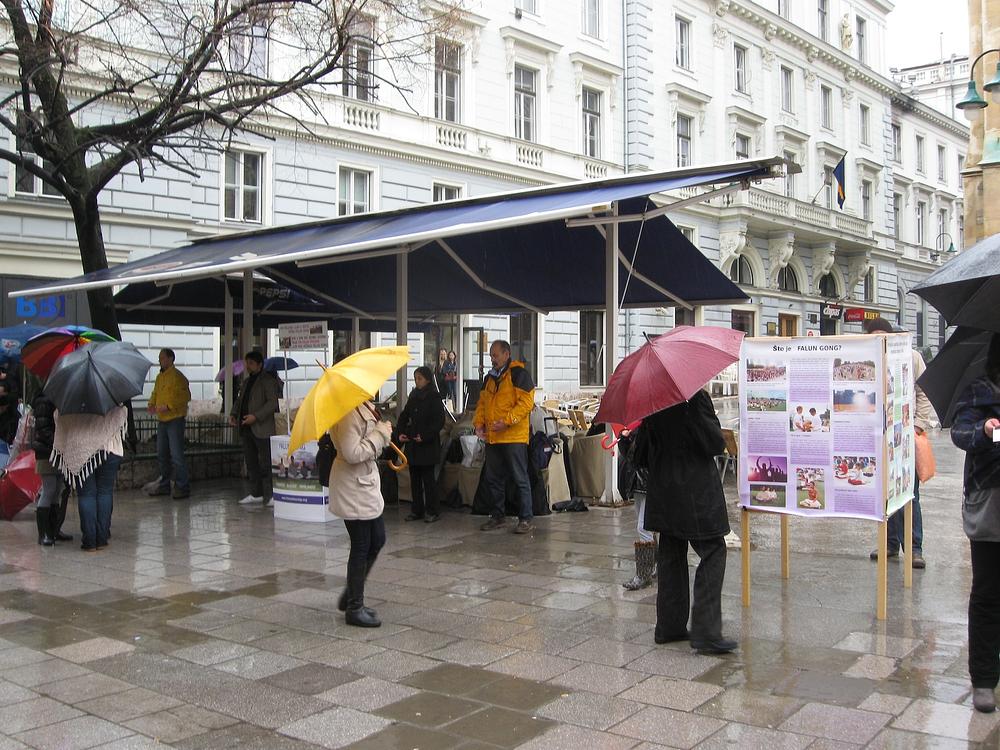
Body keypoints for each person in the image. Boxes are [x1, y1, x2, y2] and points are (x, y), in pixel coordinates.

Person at [632, 388, 737, 655]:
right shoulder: (695, 397)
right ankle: (706, 632)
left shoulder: (654, 399)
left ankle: (669, 626)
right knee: (714, 550)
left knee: (671, 553)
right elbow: (714, 443)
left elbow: (641, 454)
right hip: (695, 491)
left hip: (665, 491)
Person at [950, 332, 1000, 713]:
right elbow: (960, 433)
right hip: (991, 503)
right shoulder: (980, 391)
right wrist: (985, 431)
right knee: (987, 592)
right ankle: (983, 678)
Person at [864, 317, 934, 568]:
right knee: (884, 494)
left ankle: (915, 548)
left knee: (909, 494)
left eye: (884, 335)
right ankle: (890, 543)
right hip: (876, 438)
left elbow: (924, 393)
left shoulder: (911, 357)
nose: (881, 339)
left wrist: (918, 424)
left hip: (903, 437)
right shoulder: (867, 357)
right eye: (876, 335)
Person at [329, 400, 394, 627]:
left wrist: (382, 432)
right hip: (353, 485)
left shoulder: (362, 405)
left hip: (364, 483)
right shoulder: (347, 413)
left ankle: (350, 595)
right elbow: (352, 452)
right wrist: (379, 435)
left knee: (377, 538)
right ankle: (354, 607)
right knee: (361, 544)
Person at [474, 340, 536, 534]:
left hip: (514, 437)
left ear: (506, 354)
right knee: (493, 479)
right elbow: (482, 404)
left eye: (495, 355)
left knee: (520, 478)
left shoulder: (519, 375)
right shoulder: (489, 379)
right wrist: (478, 424)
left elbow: (526, 403)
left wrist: (507, 421)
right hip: (494, 437)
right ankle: (497, 516)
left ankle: (525, 518)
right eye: (491, 355)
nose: (492, 359)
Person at [50, 404, 127, 552]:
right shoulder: (108, 392)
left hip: (81, 449)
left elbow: (57, 417)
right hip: (109, 448)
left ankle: (90, 541)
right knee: (105, 492)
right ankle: (102, 538)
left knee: (86, 494)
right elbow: (121, 413)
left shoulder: (71, 396)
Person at [229, 351, 280, 507]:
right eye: (247, 363)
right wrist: (233, 413)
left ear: (259, 364)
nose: (248, 366)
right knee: (251, 462)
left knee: (266, 462)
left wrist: (256, 416)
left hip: (262, 427)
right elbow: (240, 399)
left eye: (251, 363)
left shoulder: (268, 381)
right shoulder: (246, 381)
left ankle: (271, 494)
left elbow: (272, 403)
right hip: (246, 427)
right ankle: (256, 493)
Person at [396, 366, 446, 523]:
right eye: (415, 378)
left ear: (427, 380)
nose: (417, 381)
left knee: (428, 480)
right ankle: (416, 509)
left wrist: (425, 436)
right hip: (413, 444)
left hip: (427, 445)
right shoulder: (414, 396)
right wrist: (400, 432)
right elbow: (404, 415)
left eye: (420, 378)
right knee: (414, 479)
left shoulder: (434, 397)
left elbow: (439, 421)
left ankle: (432, 510)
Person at [146, 348, 192, 500]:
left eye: (163, 358)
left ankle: (182, 486)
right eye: (159, 358)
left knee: (176, 454)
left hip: (175, 420)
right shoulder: (160, 377)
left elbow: (184, 396)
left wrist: (168, 406)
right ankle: (165, 484)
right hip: (162, 420)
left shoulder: (178, 377)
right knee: (162, 453)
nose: (160, 361)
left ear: (171, 359)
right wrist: (151, 404)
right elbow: (155, 393)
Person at [619, 426, 656, 590]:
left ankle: (644, 574)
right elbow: (629, 456)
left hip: (650, 483)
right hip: (638, 482)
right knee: (648, 527)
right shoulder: (638, 427)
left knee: (644, 527)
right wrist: (625, 439)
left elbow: (645, 454)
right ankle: (653, 566)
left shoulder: (653, 427)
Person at [30, 390, 67, 546]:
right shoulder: (44, 401)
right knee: (49, 489)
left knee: (57, 489)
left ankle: (53, 530)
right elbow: (43, 429)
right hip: (47, 452)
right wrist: (58, 443)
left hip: (59, 451)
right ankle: (44, 533)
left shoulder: (59, 398)